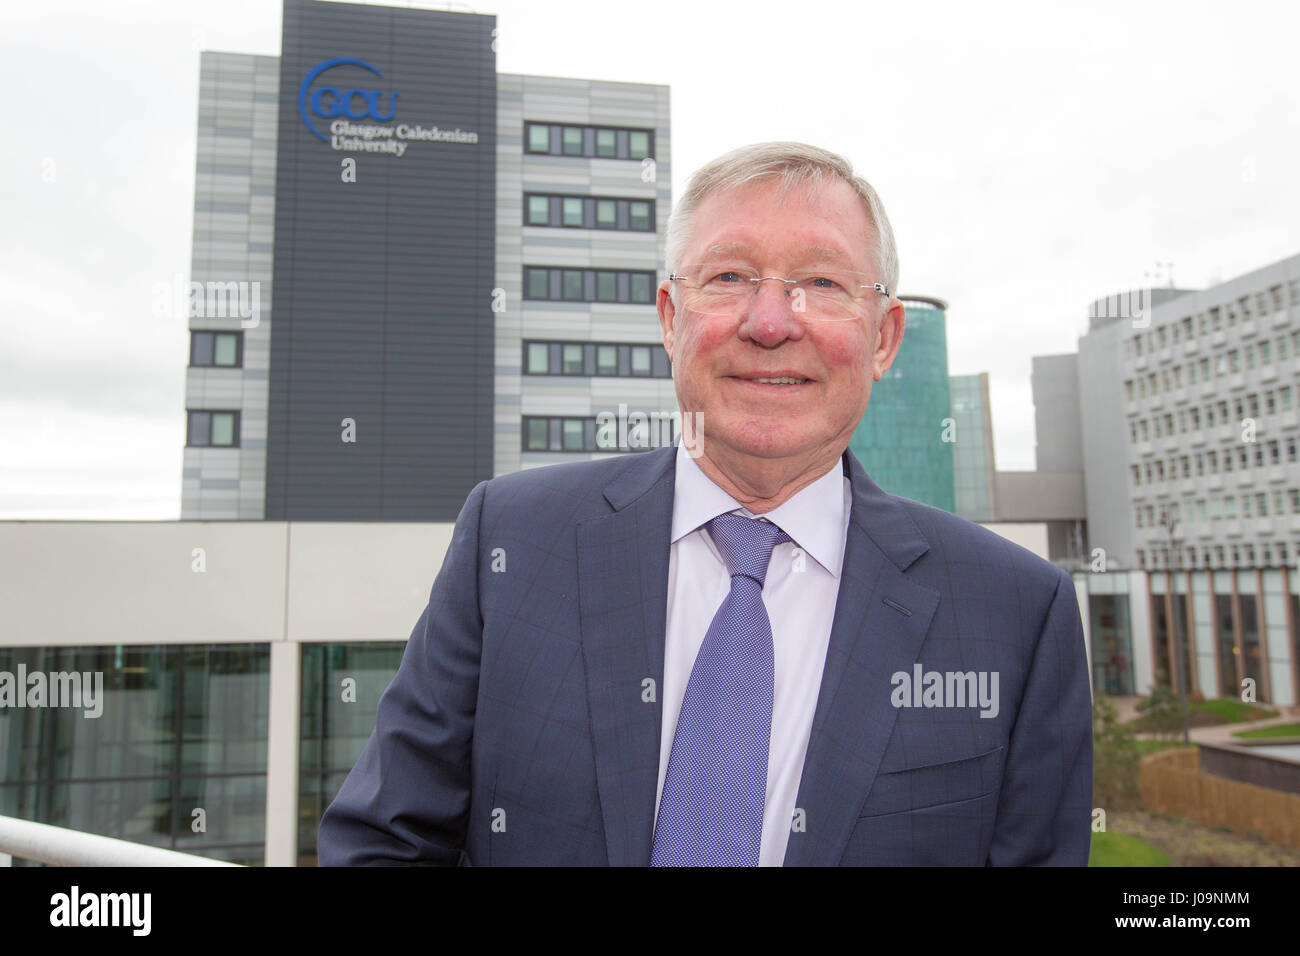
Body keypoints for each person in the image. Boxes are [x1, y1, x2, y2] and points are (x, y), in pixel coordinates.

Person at [317, 141, 1093, 866]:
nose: (770, 323)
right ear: (669, 318)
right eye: (728, 278)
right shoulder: (511, 543)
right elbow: (384, 842)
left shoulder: (1017, 614)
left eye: (821, 283)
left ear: (885, 336)